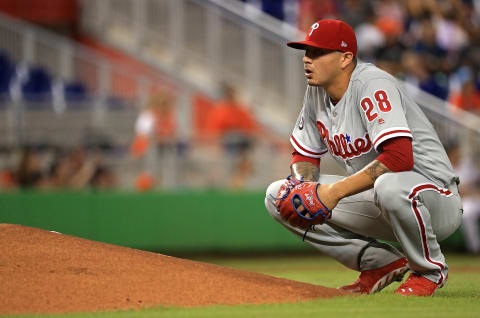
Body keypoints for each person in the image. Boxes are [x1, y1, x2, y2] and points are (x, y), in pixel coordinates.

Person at [264, 19, 463, 296]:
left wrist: (333, 192)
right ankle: (379, 263)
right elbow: (304, 153)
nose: (307, 60)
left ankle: (429, 271)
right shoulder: (317, 91)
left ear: (346, 58)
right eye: (306, 52)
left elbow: (398, 157)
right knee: (280, 195)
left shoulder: (372, 84)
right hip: (380, 198)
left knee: (389, 185)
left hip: (434, 197)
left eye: (318, 53)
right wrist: (305, 185)